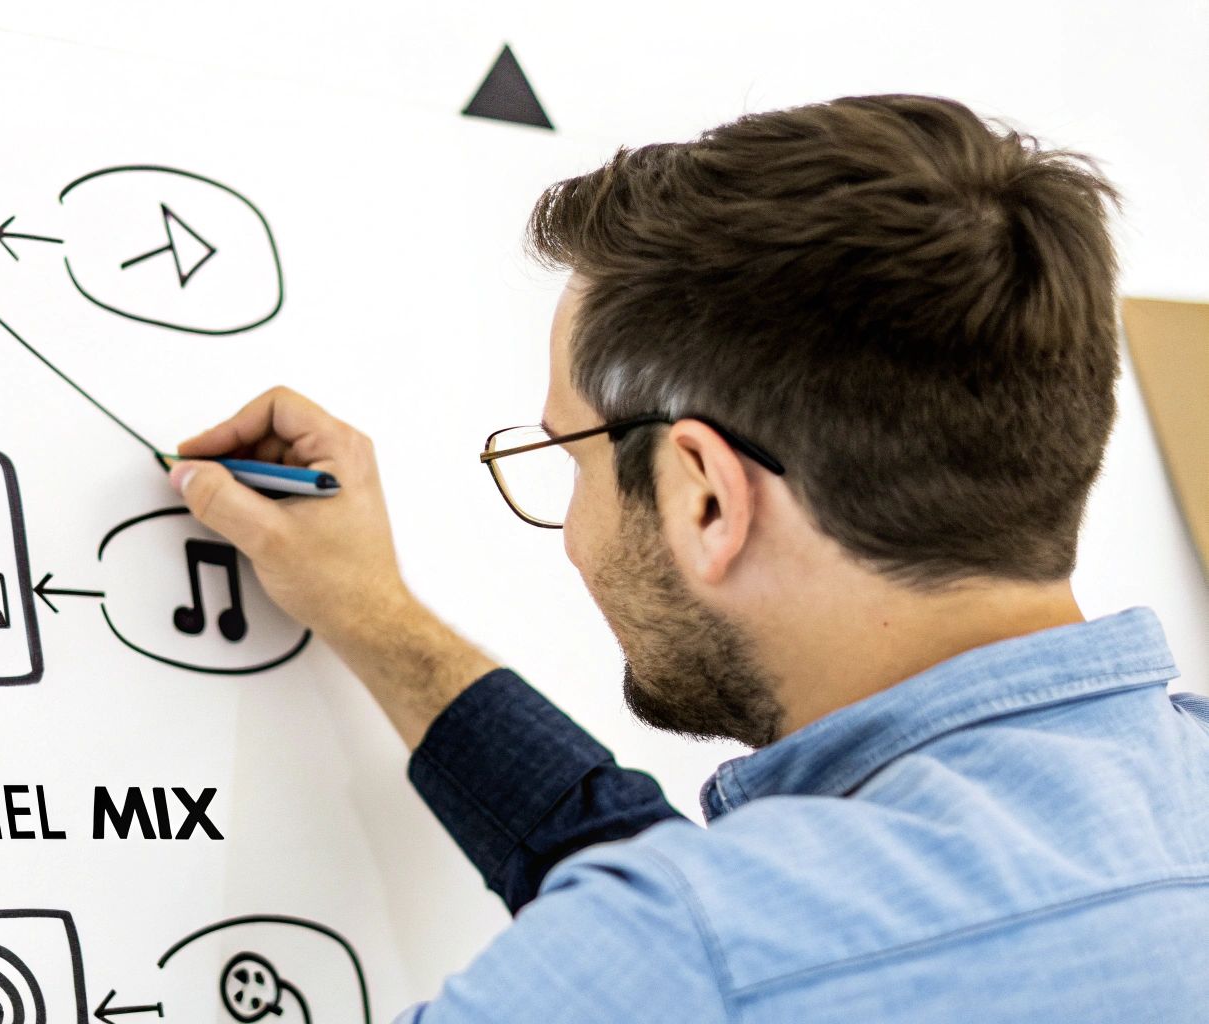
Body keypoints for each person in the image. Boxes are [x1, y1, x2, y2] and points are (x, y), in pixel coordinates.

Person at [166, 95, 1209, 1022]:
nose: (574, 536)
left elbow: (704, 949)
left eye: (567, 456)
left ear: (704, 495)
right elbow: (750, 923)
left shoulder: (692, 959)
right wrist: (374, 613)